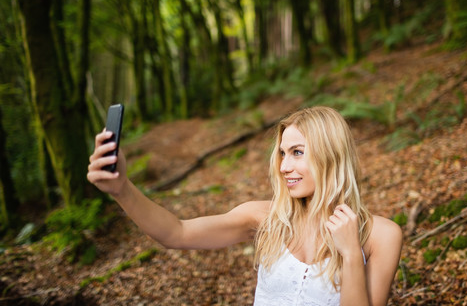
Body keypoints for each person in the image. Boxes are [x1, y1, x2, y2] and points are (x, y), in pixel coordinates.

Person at [87, 106, 402, 306]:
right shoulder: (264, 217)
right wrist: (122, 190)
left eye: (297, 152)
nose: (283, 167)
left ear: (331, 155)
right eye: (282, 153)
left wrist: (349, 254)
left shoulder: (381, 236)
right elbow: (176, 232)